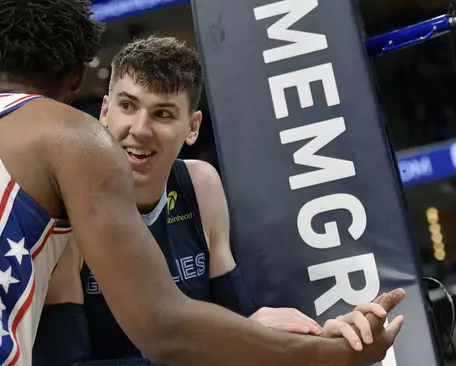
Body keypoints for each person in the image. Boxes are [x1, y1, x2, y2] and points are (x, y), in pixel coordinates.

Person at [0, 0, 403, 366]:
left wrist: (259, 328)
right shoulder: (68, 134)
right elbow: (163, 327)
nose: (137, 130)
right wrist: (334, 357)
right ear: (79, 81)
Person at [34, 36, 403, 365]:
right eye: (128, 106)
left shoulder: (200, 185)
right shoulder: (69, 208)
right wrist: (232, 345)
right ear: (104, 112)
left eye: (163, 113)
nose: (140, 129)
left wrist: (325, 340)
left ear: (192, 127)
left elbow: (238, 318)